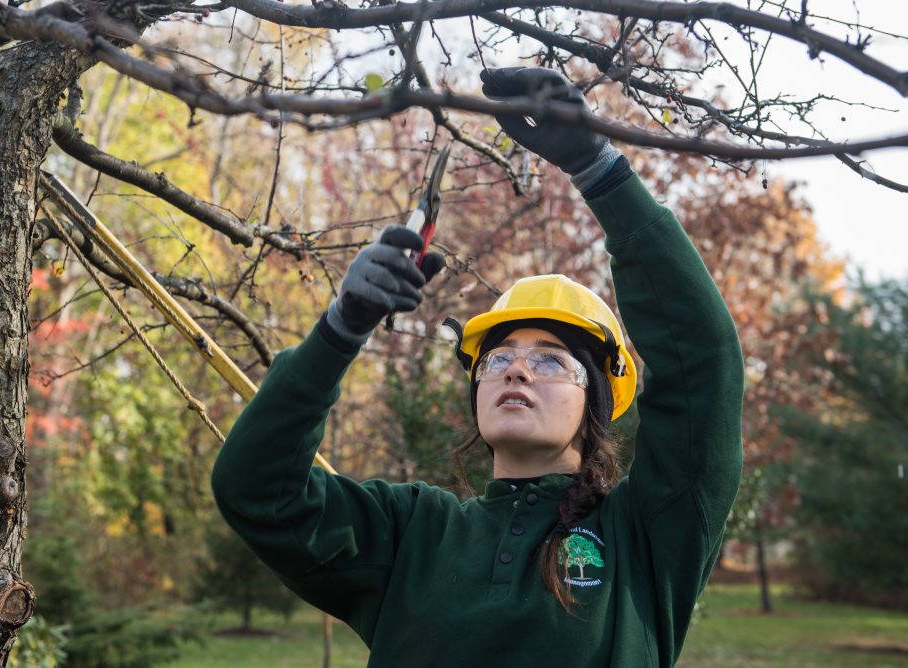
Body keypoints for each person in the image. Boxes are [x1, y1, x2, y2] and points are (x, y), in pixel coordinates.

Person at [211, 67, 743, 667]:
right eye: (499, 359)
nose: (517, 371)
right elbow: (256, 491)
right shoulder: (410, 533)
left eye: (550, 360)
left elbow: (703, 359)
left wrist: (600, 169)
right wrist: (339, 331)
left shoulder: (645, 533)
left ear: (594, 404)